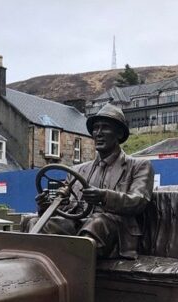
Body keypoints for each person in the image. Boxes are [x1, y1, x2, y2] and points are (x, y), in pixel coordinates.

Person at [30, 103, 154, 259]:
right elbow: (67, 207)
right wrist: (47, 207)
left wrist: (104, 197)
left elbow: (139, 200)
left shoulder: (139, 166)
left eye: (105, 127)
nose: (99, 133)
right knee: (37, 223)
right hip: (77, 224)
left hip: (114, 231)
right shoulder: (77, 170)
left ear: (119, 133)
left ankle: (74, 277)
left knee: (97, 223)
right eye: (96, 128)